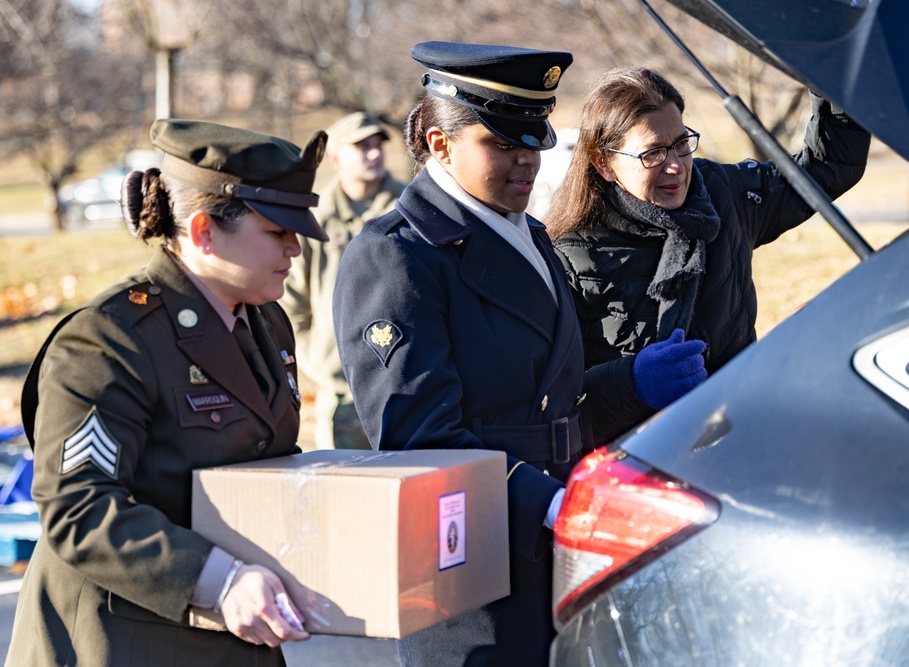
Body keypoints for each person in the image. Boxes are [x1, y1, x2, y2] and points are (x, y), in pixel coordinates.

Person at [333, 42, 707, 667]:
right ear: (438, 143)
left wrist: (627, 385)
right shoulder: (396, 255)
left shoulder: (527, 234)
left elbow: (550, 400)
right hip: (477, 580)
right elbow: (421, 441)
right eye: (501, 143)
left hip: (557, 557)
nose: (526, 161)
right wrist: (555, 505)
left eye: (533, 141)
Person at [6, 119, 329, 666]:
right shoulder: (108, 338)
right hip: (120, 642)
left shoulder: (267, 321)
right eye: (276, 231)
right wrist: (220, 581)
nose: (295, 248)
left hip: (235, 637)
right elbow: (78, 507)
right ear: (203, 231)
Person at [546, 67, 871, 375]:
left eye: (681, 144)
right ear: (603, 163)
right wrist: (633, 384)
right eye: (653, 153)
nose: (675, 166)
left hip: (741, 419)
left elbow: (828, 168)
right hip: (650, 434)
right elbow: (565, 395)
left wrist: (825, 73)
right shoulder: (571, 258)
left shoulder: (722, 193)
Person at [280, 111, 407, 450]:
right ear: (336, 158)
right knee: (346, 490)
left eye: (378, 144)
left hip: (407, 384)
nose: (374, 152)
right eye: (361, 146)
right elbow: (290, 300)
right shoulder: (314, 218)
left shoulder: (412, 208)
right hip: (340, 390)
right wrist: (316, 358)